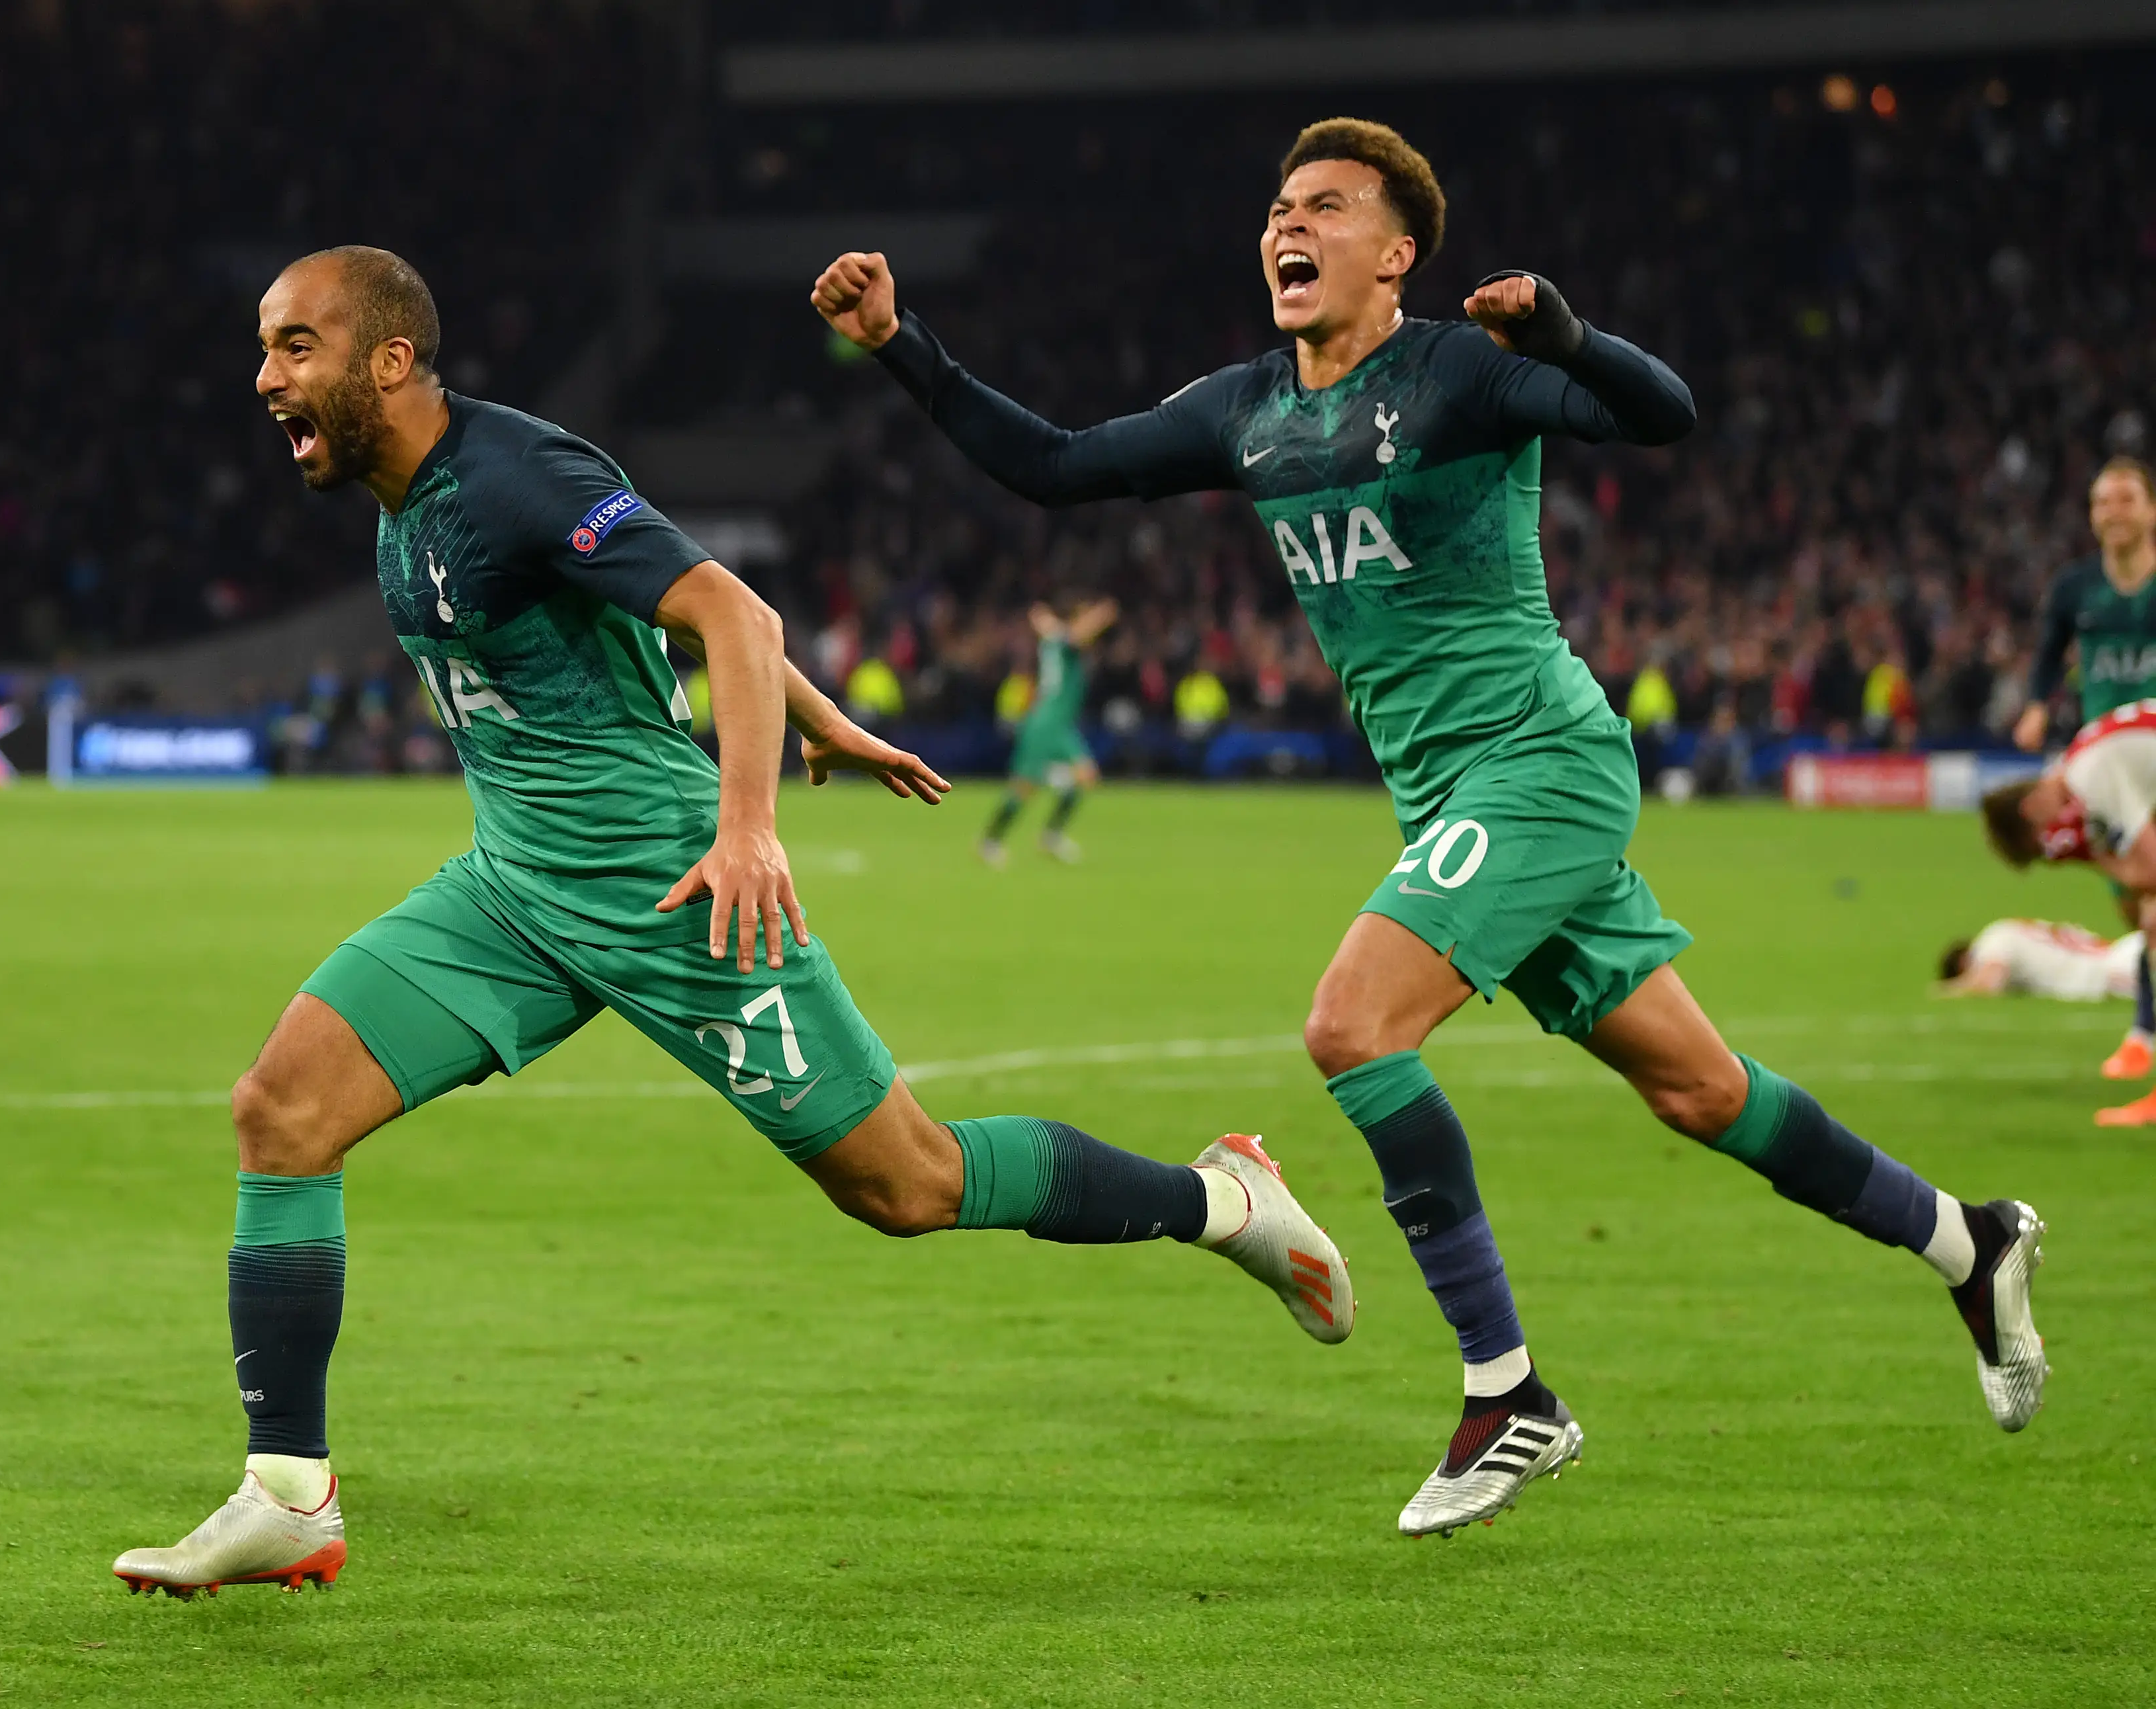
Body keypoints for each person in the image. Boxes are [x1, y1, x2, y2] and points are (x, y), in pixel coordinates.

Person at [811, 117, 2048, 1538]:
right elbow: (1054, 461)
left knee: (1351, 1024)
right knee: (1702, 1091)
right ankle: (1970, 1239)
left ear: (1396, 257)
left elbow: (1664, 416)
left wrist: (1569, 336)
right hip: (1454, 797)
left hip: (1540, 762)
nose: (1291, 223)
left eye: (1328, 206)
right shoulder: (1246, 410)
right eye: (1281, 204)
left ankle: (1506, 1388)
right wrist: (904, 343)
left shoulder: (1454, 372)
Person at [108, 247, 1356, 1597]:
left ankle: (1224, 1198)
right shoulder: (401, 504)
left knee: (908, 1185)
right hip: (512, 891)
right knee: (280, 1112)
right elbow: (667, 637)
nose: (266, 375)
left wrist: (748, 824)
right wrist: (828, 721)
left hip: (668, 891)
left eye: (297, 346)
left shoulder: (515, 474)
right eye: (267, 346)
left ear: (389, 361)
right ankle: (290, 1492)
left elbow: (729, 610)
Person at [2012, 458, 2156, 1080]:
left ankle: (2143, 1035)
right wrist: (2037, 708)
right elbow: (2049, 655)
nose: (2113, 512)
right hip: (2109, 777)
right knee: (2133, 903)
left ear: (2150, 510)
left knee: (2152, 899)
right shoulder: (2076, 588)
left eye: (2126, 500)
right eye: (2102, 502)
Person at [1983, 696, 2156, 1125]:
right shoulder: (2084, 763)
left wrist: (2093, 859)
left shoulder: (2090, 775)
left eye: (2039, 846)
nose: (2050, 846)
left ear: (2030, 810)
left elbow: (2151, 870)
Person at [981, 595, 1117, 865]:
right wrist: (1101, 615)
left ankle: (1050, 836)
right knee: (1026, 787)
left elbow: (1050, 624)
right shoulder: (1065, 643)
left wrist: (1046, 619)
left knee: (1083, 776)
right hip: (1047, 724)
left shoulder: (1056, 641)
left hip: (1057, 724)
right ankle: (991, 841)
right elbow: (1074, 633)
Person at [1936, 918, 2144, 1001]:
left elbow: (1989, 983)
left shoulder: (1990, 942)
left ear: (1964, 963)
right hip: (2125, 948)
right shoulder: (2009, 929)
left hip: (2110, 972)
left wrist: (1948, 990)